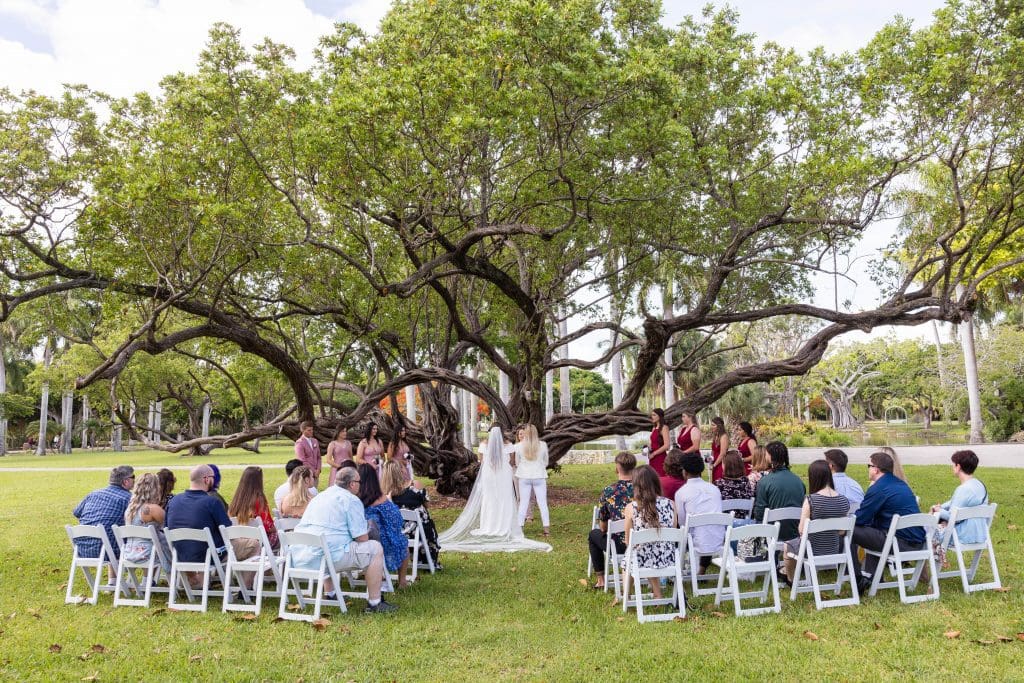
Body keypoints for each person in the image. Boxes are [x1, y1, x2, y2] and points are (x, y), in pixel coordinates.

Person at [292, 467, 396, 613]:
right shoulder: (351, 500)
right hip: (328, 558)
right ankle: (375, 602)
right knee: (374, 548)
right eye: (359, 482)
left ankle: (331, 593)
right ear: (352, 484)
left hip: (301, 557)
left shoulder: (320, 496)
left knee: (330, 542)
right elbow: (361, 538)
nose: (360, 485)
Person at [438, 426, 551, 552]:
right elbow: (513, 462)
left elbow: (481, 461)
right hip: (510, 475)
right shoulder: (511, 446)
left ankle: (490, 525)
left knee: (491, 499)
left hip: (490, 475)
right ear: (503, 433)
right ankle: (538, 528)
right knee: (506, 499)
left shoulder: (484, 445)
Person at [851, 451, 924, 594]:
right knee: (874, 532)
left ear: (876, 469)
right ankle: (872, 577)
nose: (868, 469)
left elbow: (860, 519)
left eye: (869, 465)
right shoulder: (901, 485)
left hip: (899, 543)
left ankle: (857, 577)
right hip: (917, 544)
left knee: (850, 530)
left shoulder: (879, 488)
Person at [782, 459, 850, 584]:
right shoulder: (844, 500)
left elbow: (802, 531)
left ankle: (790, 579)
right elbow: (841, 532)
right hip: (834, 550)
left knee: (787, 545)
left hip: (811, 550)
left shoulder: (811, 500)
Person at [165, 465, 233, 582]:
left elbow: (167, 527)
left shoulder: (174, 501)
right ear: (206, 479)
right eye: (212, 477)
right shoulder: (212, 502)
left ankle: (198, 582)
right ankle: (246, 589)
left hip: (180, 554)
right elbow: (227, 530)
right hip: (209, 555)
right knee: (253, 546)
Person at [620, 465, 678, 603]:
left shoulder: (631, 507)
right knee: (648, 551)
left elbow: (629, 540)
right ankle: (657, 594)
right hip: (668, 557)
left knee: (631, 555)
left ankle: (626, 595)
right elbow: (673, 530)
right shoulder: (671, 504)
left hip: (642, 557)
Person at [588, 451, 636, 590]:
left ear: (617, 468)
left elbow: (603, 526)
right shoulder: (643, 488)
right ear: (634, 467)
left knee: (593, 535)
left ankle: (601, 580)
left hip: (619, 545)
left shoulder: (609, 491)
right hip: (641, 541)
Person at [930, 450, 988, 563]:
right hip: (980, 534)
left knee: (928, 531)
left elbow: (952, 517)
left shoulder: (963, 489)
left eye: (953, 465)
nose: (952, 467)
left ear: (958, 466)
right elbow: (954, 502)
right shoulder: (979, 485)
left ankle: (932, 560)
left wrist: (938, 510)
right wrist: (942, 506)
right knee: (937, 523)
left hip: (962, 536)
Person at [381, 460, 441, 571]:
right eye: (403, 467)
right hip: (418, 531)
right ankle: (428, 559)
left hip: (397, 533)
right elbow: (427, 504)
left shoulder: (384, 494)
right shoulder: (415, 485)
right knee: (425, 522)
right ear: (400, 472)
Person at [357, 463, 410, 588]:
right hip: (379, 540)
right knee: (403, 543)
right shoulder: (381, 498)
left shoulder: (355, 499)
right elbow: (395, 519)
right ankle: (402, 581)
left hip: (358, 539)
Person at [72, 465, 135, 563]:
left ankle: (113, 579)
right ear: (125, 481)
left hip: (82, 550)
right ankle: (147, 578)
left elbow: (76, 512)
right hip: (108, 551)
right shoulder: (129, 498)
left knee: (111, 533)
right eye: (133, 477)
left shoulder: (94, 494)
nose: (135, 480)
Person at [674, 454, 724, 574]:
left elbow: (682, 523)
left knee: (681, 531)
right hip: (719, 539)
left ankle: (675, 571)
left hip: (696, 541)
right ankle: (701, 569)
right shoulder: (714, 489)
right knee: (706, 529)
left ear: (684, 472)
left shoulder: (681, 493)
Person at [751, 442, 806, 542]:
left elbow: (759, 514)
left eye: (766, 454)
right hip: (795, 533)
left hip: (771, 534)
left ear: (770, 456)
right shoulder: (799, 481)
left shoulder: (764, 482)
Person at [121, 472, 172, 572]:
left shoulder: (130, 509)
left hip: (130, 552)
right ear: (156, 488)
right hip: (149, 553)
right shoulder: (153, 509)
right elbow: (170, 526)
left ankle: (146, 582)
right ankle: (190, 578)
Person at [512, 424, 551, 536]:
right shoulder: (543, 445)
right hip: (539, 476)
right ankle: (546, 530)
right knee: (542, 503)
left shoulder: (518, 446)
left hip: (524, 476)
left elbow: (517, 463)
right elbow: (546, 462)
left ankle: (520, 528)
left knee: (523, 502)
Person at [228, 466, 279, 551]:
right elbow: (268, 527)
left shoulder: (236, 499)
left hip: (242, 540)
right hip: (260, 541)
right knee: (283, 536)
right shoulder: (259, 499)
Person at [716, 450, 755, 518]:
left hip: (724, 522)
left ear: (725, 466)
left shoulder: (719, 484)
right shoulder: (745, 481)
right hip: (742, 523)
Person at [294, 421, 322, 485]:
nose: (311, 431)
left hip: (316, 474)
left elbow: (319, 457)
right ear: (303, 430)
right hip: (306, 474)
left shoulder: (315, 441)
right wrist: (313, 471)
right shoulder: (299, 443)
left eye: (312, 429)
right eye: (309, 430)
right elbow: (302, 460)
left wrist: (318, 469)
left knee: (314, 492)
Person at [648, 409, 671, 476]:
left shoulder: (664, 427)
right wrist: (648, 449)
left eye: (654, 415)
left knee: (661, 477)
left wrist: (654, 454)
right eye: (652, 415)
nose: (652, 417)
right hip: (652, 457)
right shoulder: (654, 428)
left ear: (660, 416)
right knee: (653, 478)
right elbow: (652, 442)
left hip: (660, 457)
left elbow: (667, 445)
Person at [708, 416, 729, 482]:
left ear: (719, 426)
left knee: (719, 482)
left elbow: (723, 453)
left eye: (713, 425)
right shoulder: (716, 435)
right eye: (711, 425)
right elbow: (713, 451)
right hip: (715, 463)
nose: (711, 427)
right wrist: (710, 460)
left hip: (721, 463)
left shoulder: (724, 436)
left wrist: (714, 465)